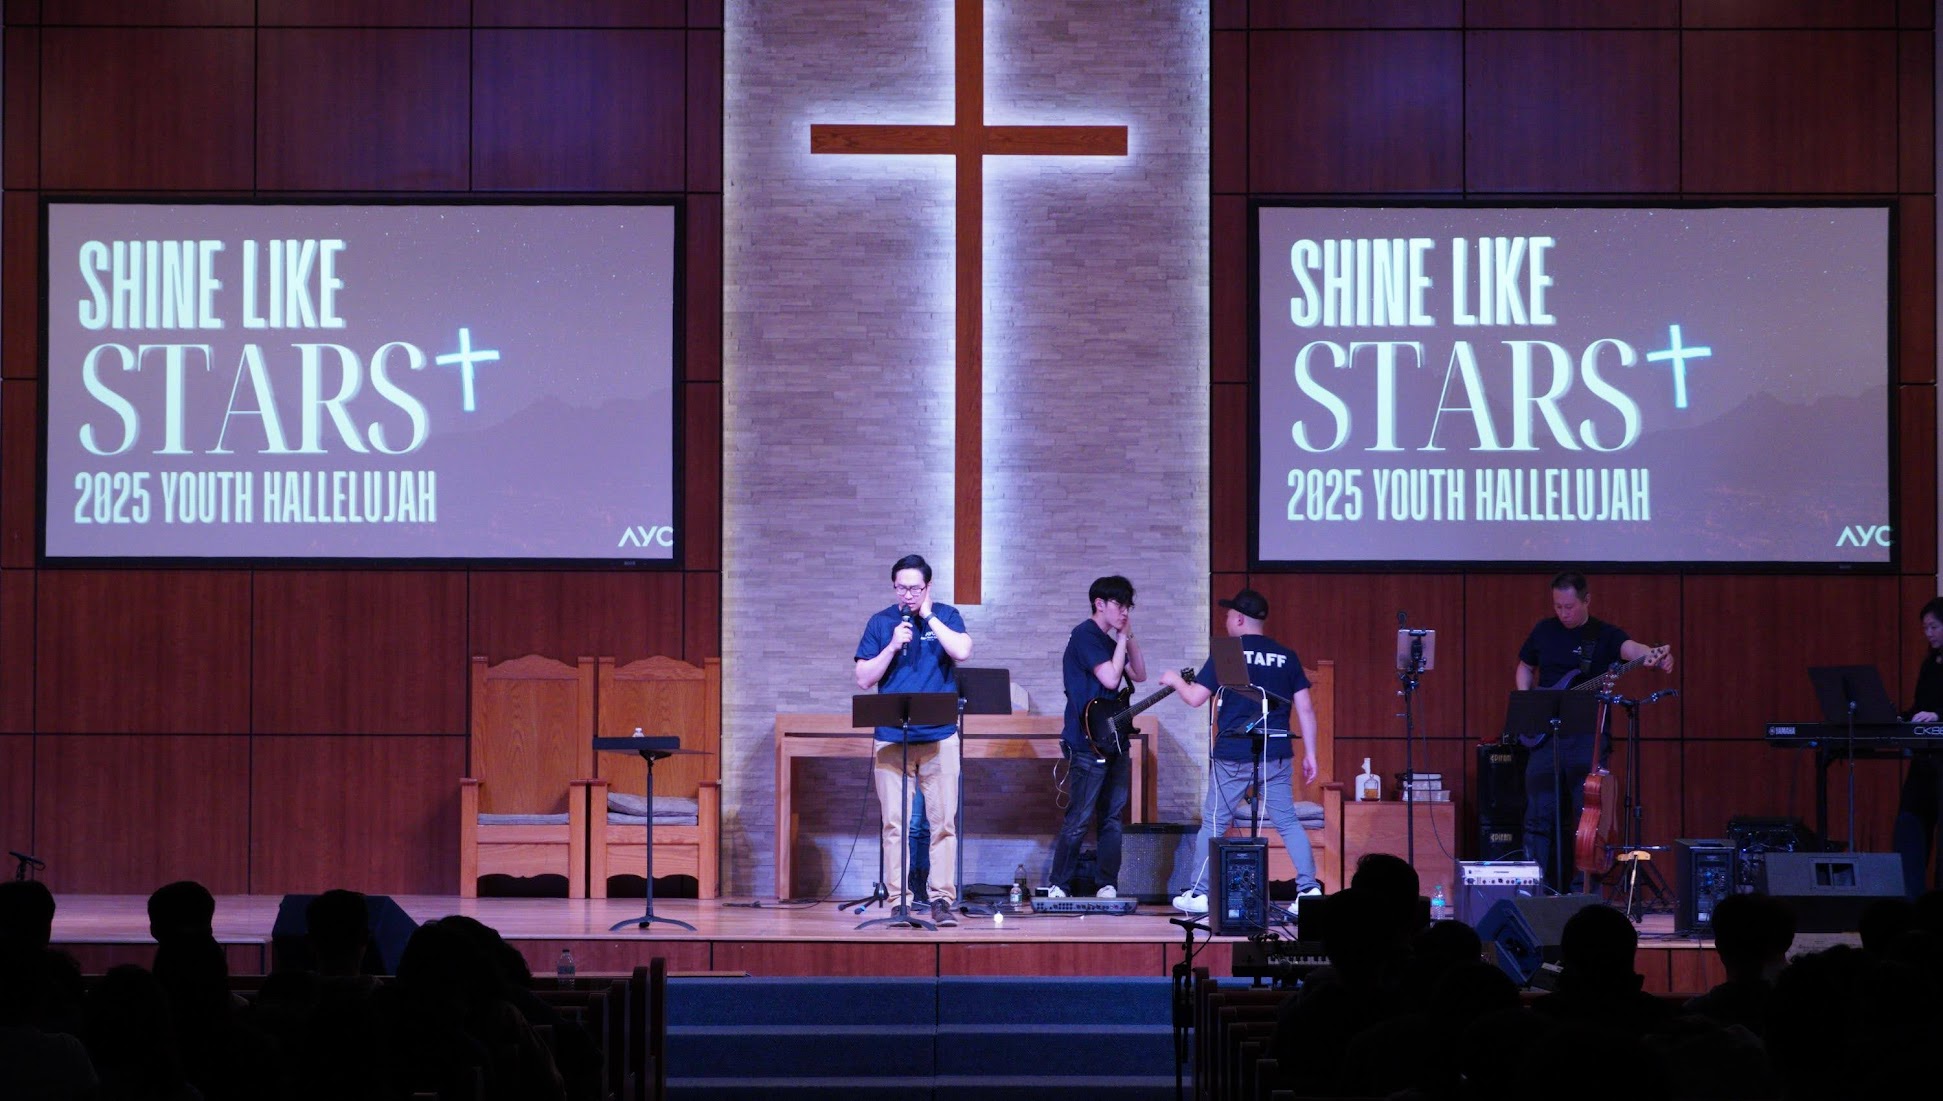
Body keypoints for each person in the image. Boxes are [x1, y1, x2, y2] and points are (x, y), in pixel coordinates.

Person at [1162, 587, 1321, 913]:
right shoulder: (1287, 656)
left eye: (1228, 616)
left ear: (1238, 619)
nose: (1225, 621)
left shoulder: (1228, 653)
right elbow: (1305, 708)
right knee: (1288, 822)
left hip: (1233, 753)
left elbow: (1195, 698)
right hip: (1275, 751)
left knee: (1214, 823)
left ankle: (1199, 894)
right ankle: (1309, 890)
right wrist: (1311, 753)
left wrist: (1175, 680)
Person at [1513, 571, 1672, 892]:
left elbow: (1631, 648)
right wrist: (1528, 702)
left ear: (1587, 601)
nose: (1563, 613)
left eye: (1569, 606)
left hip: (1588, 738)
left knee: (1588, 819)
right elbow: (1525, 666)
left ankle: (1583, 892)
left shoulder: (1604, 634)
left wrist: (1651, 655)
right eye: (1558, 606)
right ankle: (1534, 890)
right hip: (1545, 737)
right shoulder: (1543, 630)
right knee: (1538, 815)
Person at [853, 553, 973, 927]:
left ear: (927, 587)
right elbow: (863, 678)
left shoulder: (947, 616)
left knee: (943, 824)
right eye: (901, 588)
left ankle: (941, 899)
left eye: (915, 588)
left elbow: (962, 651)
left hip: (940, 737)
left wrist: (930, 617)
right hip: (892, 738)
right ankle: (899, 901)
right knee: (895, 826)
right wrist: (891, 646)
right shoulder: (881, 622)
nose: (908, 595)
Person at [1048, 576, 1146, 899]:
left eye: (1128, 606)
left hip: (1114, 738)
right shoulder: (1085, 635)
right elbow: (1111, 678)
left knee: (1112, 817)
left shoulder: (1109, 639)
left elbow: (1139, 674)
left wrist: (1128, 636)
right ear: (1099, 604)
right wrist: (1121, 638)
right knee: (1079, 817)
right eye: (1119, 605)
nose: (1124, 611)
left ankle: (1107, 883)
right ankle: (1059, 884)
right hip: (1086, 740)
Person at [1893, 596, 1943, 897]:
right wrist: (1901, 718)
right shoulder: (1929, 665)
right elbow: (1920, 707)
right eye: (1925, 628)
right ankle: (1909, 897)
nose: (1929, 633)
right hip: (1925, 762)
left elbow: (1934, 710)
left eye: (1934, 626)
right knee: (1910, 822)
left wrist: (1938, 715)